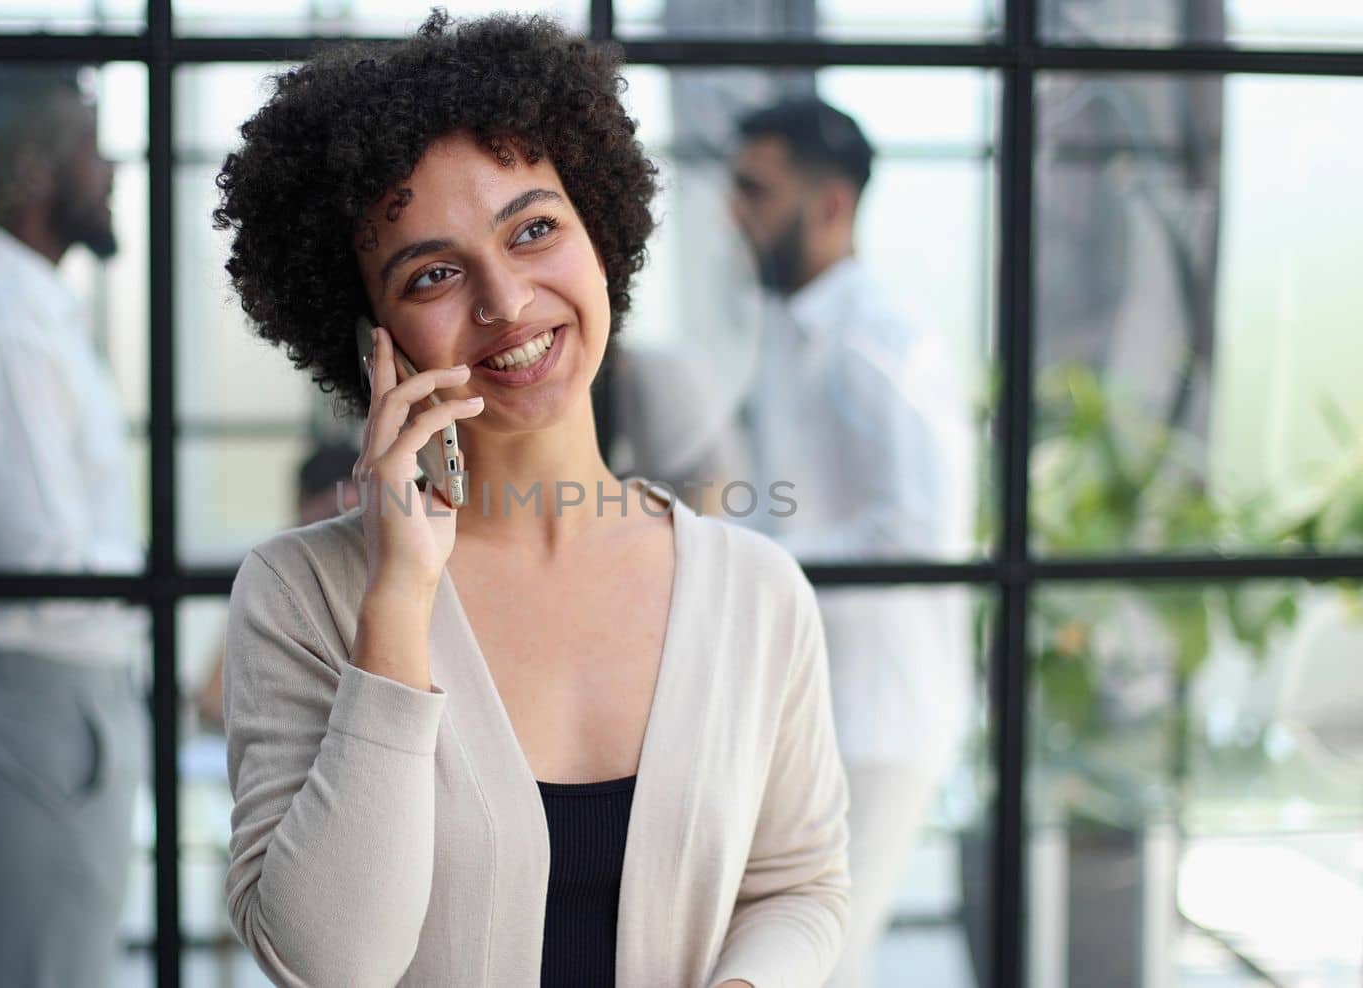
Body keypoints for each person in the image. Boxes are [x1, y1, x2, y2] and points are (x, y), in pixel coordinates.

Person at [212, 11, 851, 986]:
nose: (505, 302)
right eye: (432, 272)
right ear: (368, 338)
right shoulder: (303, 595)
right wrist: (398, 597)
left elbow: (798, 885)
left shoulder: (755, 592)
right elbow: (329, 963)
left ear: (601, 233)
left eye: (534, 229)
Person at [727, 98, 978, 988]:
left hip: (875, 715)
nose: (734, 212)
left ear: (829, 206)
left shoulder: (878, 335)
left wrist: (752, 564)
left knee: (820, 961)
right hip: (819, 705)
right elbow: (793, 511)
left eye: (756, 190)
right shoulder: (795, 330)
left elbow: (918, 531)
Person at [0, 63, 145, 988]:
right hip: (39, 698)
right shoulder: (4, 327)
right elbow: (46, 565)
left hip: (51, 698)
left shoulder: (23, 315)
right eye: (90, 145)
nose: (112, 168)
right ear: (38, 170)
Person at [191, 440, 362, 734]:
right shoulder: (277, 577)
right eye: (332, 519)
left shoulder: (387, 581)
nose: (339, 538)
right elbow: (211, 702)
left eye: (352, 519)